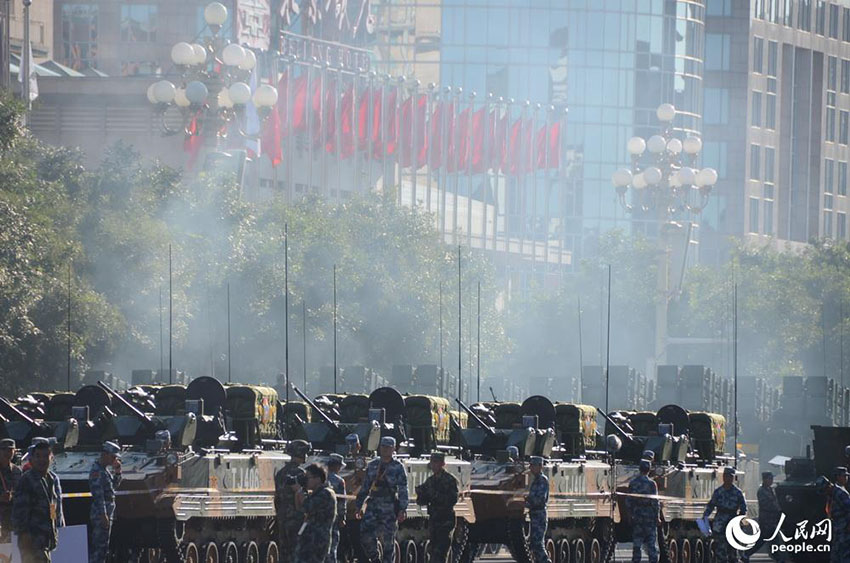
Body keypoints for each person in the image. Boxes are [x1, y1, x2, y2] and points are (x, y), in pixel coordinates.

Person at [355, 436, 409, 563]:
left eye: (388, 447)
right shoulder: (373, 465)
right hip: (373, 504)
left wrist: (402, 508)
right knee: (365, 534)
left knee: (388, 540)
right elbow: (365, 486)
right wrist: (359, 505)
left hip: (389, 505)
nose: (385, 450)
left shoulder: (398, 467)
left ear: (393, 449)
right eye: (383, 447)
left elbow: (403, 488)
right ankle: (375, 558)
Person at [12, 438, 64, 563]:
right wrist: (24, 535)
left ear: (51, 458)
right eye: (38, 456)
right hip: (31, 538)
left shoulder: (51, 479)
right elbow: (20, 511)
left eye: (45, 456)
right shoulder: (27, 480)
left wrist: (56, 526)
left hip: (45, 537)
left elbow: (52, 506)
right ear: (32, 459)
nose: (42, 460)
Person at [415, 452, 459, 563]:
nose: (434, 465)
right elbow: (422, 500)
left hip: (445, 521)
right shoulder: (430, 481)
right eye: (432, 463)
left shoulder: (450, 480)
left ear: (442, 464)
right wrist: (421, 494)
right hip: (434, 520)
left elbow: (452, 500)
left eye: (436, 462)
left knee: (441, 551)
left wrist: (434, 495)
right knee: (432, 550)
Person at [275, 439, 310, 563]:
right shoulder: (301, 474)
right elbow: (305, 496)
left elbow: (277, 497)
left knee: (284, 551)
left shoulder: (280, 473)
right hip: (297, 516)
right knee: (297, 550)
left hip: (282, 516)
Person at [703, 466, 747, 563]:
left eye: (730, 477)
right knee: (720, 549)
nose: (728, 478)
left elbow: (743, 507)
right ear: (723, 477)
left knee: (732, 551)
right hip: (720, 522)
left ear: (733, 478)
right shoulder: (718, 492)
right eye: (726, 476)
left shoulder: (737, 492)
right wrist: (705, 517)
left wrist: (739, 519)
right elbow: (711, 505)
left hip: (732, 521)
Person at [295, 464, 338, 563]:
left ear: (318, 479)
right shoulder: (315, 493)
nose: (306, 480)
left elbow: (307, 507)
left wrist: (300, 491)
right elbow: (300, 509)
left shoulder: (326, 493)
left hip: (317, 540)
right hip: (309, 539)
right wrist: (299, 491)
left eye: (308, 477)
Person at [88, 441, 122, 563]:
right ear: (105, 454)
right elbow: (99, 496)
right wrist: (103, 515)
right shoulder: (97, 471)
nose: (114, 460)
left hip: (107, 512)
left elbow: (113, 488)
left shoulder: (105, 470)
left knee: (103, 547)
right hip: (101, 514)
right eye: (113, 457)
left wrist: (118, 472)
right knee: (99, 548)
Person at [742, 472, 781, 561]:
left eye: (771, 479)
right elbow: (766, 505)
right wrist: (775, 509)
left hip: (772, 520)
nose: (771, 481)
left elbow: (775, 503)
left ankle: (778, 558)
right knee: (762, 540)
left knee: (774, 540)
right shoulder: (762, 491)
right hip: (766, 520)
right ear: (765, 479)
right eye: (769, 479)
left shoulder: (770, 490)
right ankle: (746, 554)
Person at [627, 459, 660, 563]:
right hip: (649, 516)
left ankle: (636, 560)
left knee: (637, 543)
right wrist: (657, 517)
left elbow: (628, 501)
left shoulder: (633, 483)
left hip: (637, 515)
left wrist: (630, 514)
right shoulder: (652, 484)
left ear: (639, 469)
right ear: (649, 470)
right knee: (651, 543)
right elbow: (655, 502)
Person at [525, 456, 550, 563]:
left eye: (533, 465)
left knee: (538, 543)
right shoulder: (536, 480)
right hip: (535, 515)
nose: (531, 468)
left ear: (540, 466)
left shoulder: (542, 480)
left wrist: (527, 500)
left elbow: (540, 499)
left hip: (539, 515)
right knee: (534, 544)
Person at [325, 454, 347, 563]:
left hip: (318, 517)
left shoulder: (319, 478)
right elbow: (342, 501)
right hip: (333, 517)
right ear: (337, 466)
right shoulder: (339, 481)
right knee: (332, 546)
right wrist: (342, 517)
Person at [0, 439, 21, 541]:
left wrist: (13, 496)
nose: (7, 453)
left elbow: (22, 493)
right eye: (4, 449)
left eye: (10, 450)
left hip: (13, 520)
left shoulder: (17, 471)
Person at [829, 467, 850, 563]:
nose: (846, 478)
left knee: (837, 552)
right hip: (844, 527)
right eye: (844, 476)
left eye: (846, 476)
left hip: (839, 526)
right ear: (837, 477)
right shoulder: (840, 492)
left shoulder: (835, 490)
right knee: (844, 553)